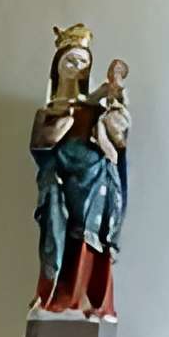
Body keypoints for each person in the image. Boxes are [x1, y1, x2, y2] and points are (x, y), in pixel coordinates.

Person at [30, 24, 129, 320]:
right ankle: (55, 300)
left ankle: (89, 303)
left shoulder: (97, 109)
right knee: (58, 236)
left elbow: (118, 142)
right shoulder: (48, 112)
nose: (77, 68)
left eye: (83, 63)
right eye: (70, 61)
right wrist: (60, 128)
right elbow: (39, 145)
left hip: (94, 179)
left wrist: (113, 105)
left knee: (91, 237)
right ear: (58, 65)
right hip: (60, 181)